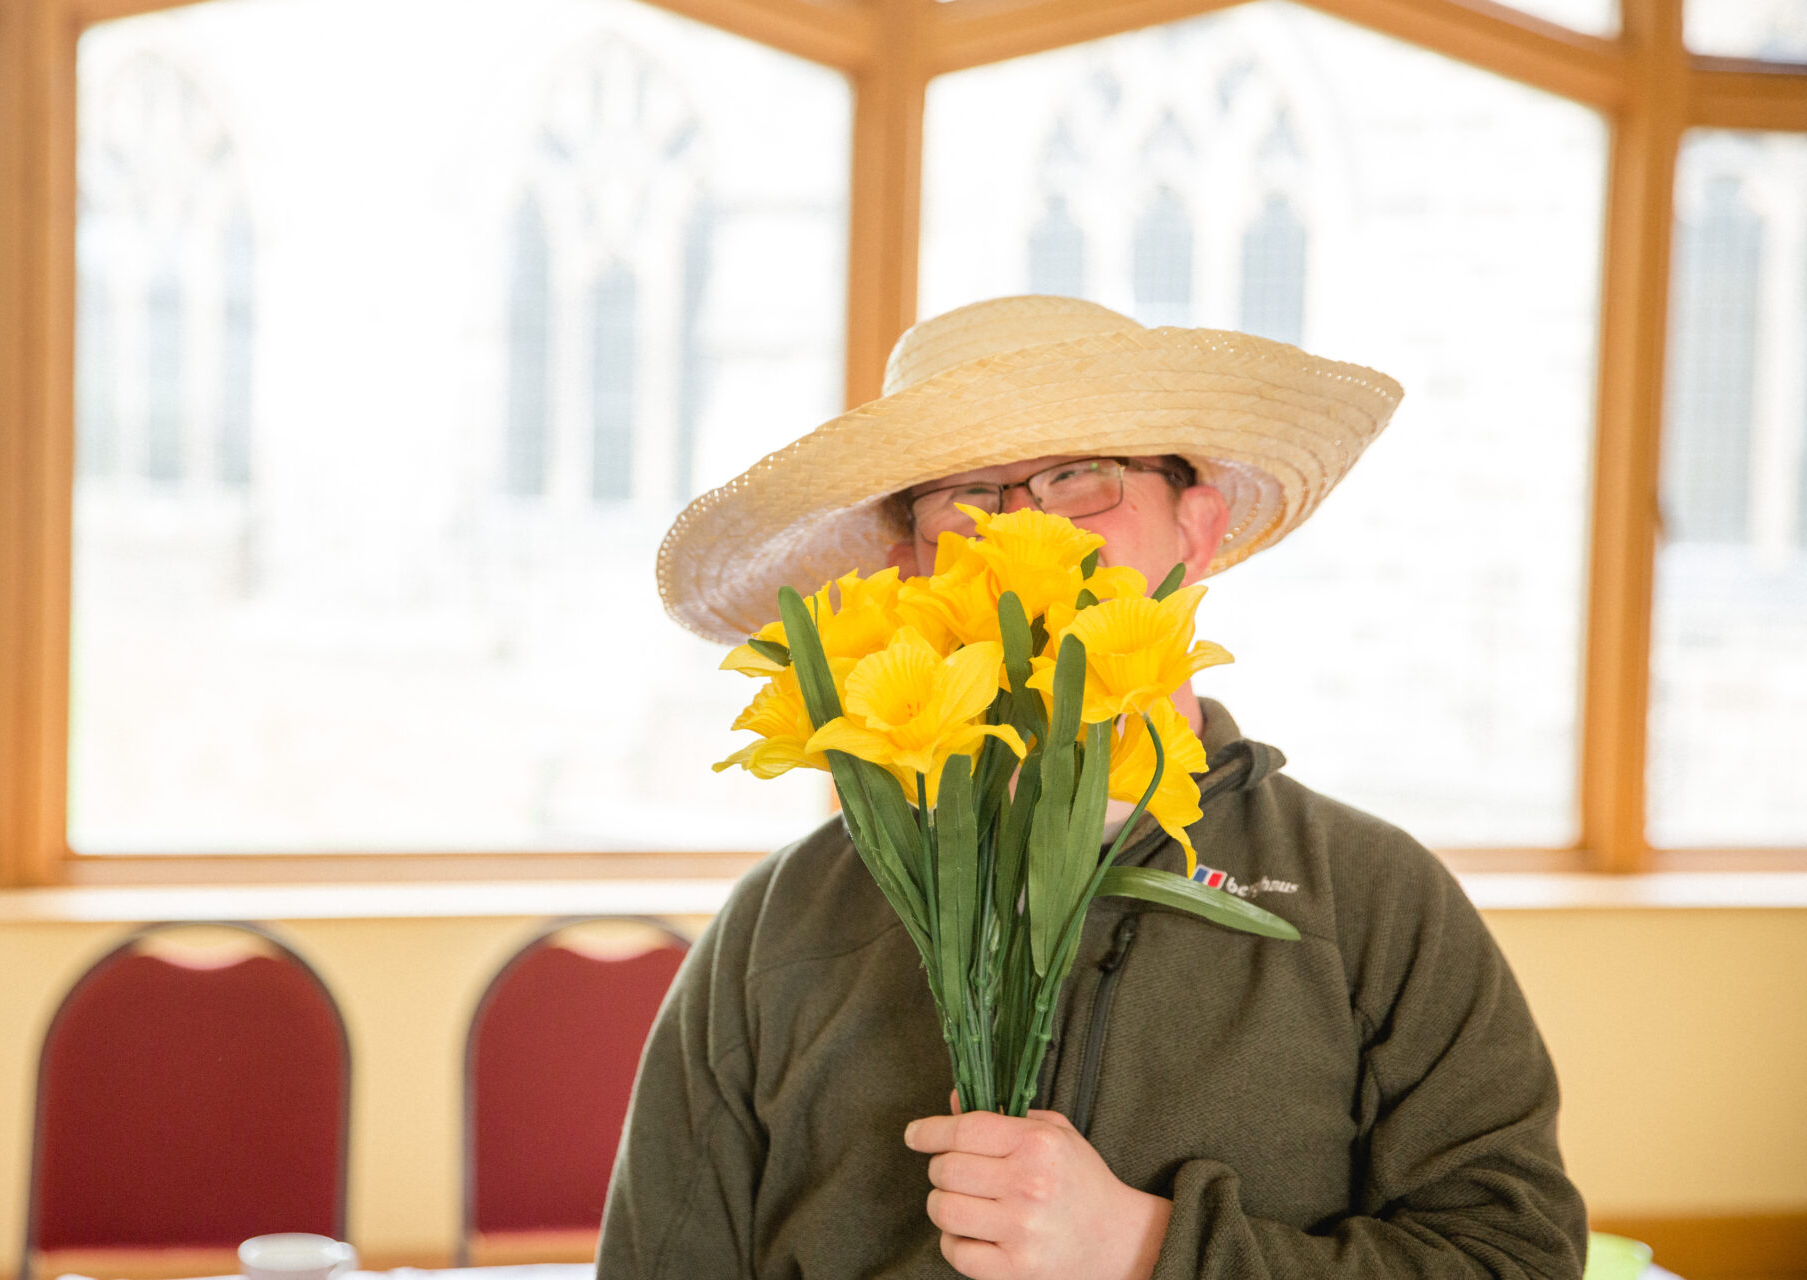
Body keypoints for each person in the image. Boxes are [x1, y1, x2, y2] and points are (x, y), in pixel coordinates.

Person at [604, 295, 1586, 1279]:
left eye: (1083, 476)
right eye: (970, 497)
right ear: (911, 564)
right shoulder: (784, 921)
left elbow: (1517, 1260)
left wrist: (1147, 1246)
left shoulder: (1370, 898)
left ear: (1197, 528)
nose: (1027, 527)